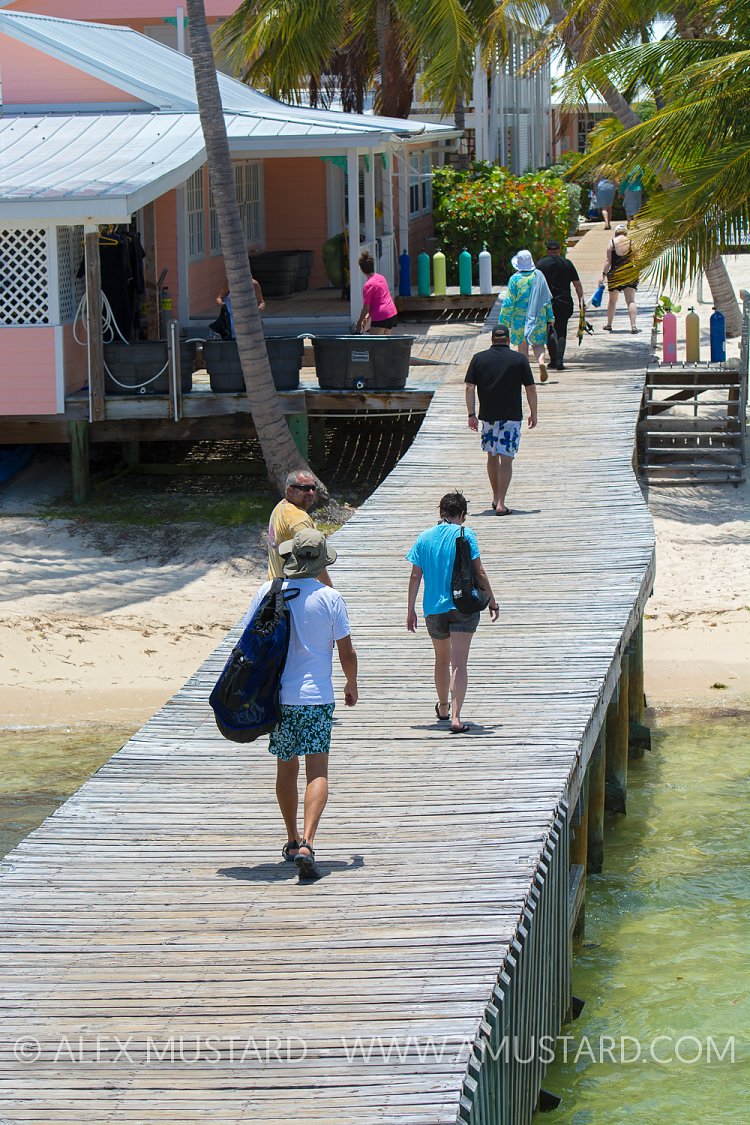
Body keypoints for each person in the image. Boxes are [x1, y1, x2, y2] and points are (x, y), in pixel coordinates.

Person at [242, 528, 358, 879]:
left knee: (285, 769)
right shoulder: (330, 598)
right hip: (316, 698)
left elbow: (248, 637)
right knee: (317, 770)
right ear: (321, 560)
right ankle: (308, 841)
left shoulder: (269, 590)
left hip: (278, 697)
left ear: (292, 557)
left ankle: (291, 839)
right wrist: (351, 683)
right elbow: (347, 652)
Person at [406, 492, 499, 734]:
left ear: (441, 512)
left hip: (433, 608)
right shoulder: (465, 534)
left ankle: (444, 708)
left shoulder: (424, 537)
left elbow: (416, 575)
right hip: (463, 605)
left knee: (441, 659)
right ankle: (457, 717)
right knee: (459, 662)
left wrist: (410, 609)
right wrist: (492, 601)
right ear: (462, 515)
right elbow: (479, 572)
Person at [464, 323, 538, 515]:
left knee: (492, 456)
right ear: (508, 339)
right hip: (511, 417)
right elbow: (530, 388)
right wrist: (534, 412)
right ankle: (501, 504)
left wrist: (471, 414)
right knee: (507, 459)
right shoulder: (519, 360)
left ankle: (496, 496)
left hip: (487, 417)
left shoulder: (478, 359)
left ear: (491, 340)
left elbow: (469, 387)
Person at [268, 470, 332, 586]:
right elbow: (313, 557)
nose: (311, 492)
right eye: (305, 488)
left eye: (313, 488)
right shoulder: (298, 519)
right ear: (290, 490)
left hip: (276, 586)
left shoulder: (281, 507)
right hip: (293, 589)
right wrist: (329, 588)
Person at [499, 249, 554, 383]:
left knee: (523, 347)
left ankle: (526, 374)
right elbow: (546, 299)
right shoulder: (539, 275)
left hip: (519, 319)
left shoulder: (515, 279)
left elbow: (509, 301)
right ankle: (541, 362)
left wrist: (503, 321)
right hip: (538, 317)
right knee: (538, 344)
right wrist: (550, 317)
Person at [536, 239, 584, 371]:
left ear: (547, 251)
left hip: (546, 302)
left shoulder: (540, 265)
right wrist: (581, 301)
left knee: (550, 329)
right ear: (559, 251)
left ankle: (552, 360)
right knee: (561, 330)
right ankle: (559, 361)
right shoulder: (567, 263)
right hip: (564, 301)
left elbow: (535, 286)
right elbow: (577, 284)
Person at [601, 225, 640, 334]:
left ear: (616, 233)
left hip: (615, 274)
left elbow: (608, 261)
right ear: (625, 233)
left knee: (612, 300)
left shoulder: (612, 242)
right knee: (631, 301)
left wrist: (603, 275)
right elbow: (636, 259)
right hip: (629, 273)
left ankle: (609, 324)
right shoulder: (631, 242)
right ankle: (633, 325)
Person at [353, 250, 398, 334]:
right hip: (391, 313)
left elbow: (366, 307)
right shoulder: (381, 278)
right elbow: (378, 301)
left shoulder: (367, 285)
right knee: (384, 345)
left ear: (362, 269)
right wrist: (367, 316)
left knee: (374, 345)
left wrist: (359, 323)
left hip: (381, 317)